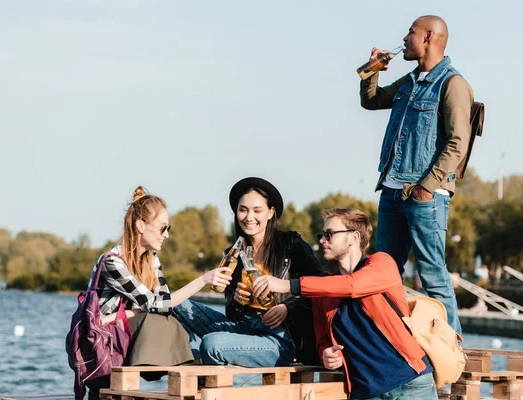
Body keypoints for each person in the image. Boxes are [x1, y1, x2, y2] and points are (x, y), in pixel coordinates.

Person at [360, 15, 474, 335]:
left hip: (426, 195)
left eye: (411, 32)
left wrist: (426, 187)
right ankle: (392, 342)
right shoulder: (409, 82)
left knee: (433, 275)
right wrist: (371, 70)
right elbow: (371, 101)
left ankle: (452, 351)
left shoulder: (453, 84)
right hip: (392, 190)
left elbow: (457, 143)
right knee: (385, 272)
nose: (405, 37)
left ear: (428, 37)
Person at [251, 208, 436, 399]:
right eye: (322, 235)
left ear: (353, 238)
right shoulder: (322, 292)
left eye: (329, 234)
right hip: (366, 393)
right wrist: (326, 355)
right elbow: (322, 340)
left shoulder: (382, 264)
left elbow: (353, 285)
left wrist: (287, 285)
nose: (322, 240)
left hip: (411, 384)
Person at [86, 186, 232, 399]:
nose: (167, 235)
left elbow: (160, 304)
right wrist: (203, 279)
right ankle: (197, 366)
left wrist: (133, 313)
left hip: (126, 334)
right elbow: (156, 304)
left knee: (170, 319)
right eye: (163, 228)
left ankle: (197, 368)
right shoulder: (112, 262)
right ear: (140, 226)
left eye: (168, 228)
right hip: (104, 346)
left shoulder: (151, 259)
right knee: (163, 320)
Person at [172, 177, 324, 367]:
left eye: (257, 210)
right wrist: (236, 301)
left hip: (279, 337)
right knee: (176, 302)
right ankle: (192, 357)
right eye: (243, 210)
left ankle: (209, 365)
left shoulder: (291, 244)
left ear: (270, 212)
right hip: (243, 327)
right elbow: (232, 314)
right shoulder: (232, 254)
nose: (248, 217)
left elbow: (321, 286)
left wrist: (288, 308)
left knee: (212, 343)